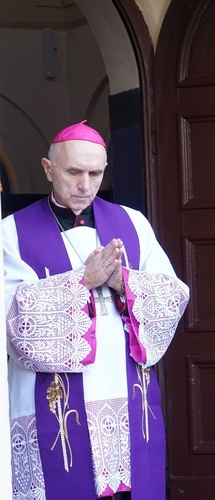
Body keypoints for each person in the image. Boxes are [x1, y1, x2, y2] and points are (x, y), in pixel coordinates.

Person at [4, 121, 190, 499]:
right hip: (53, 402)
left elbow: (172, 295)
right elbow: (12, 319)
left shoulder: (133, 223)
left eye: (96, 173)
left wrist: (122, 280)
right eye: (74, 172)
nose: (85, 185)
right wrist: (82, 281)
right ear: (47, 167)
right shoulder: (11, 233)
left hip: (124, 393)